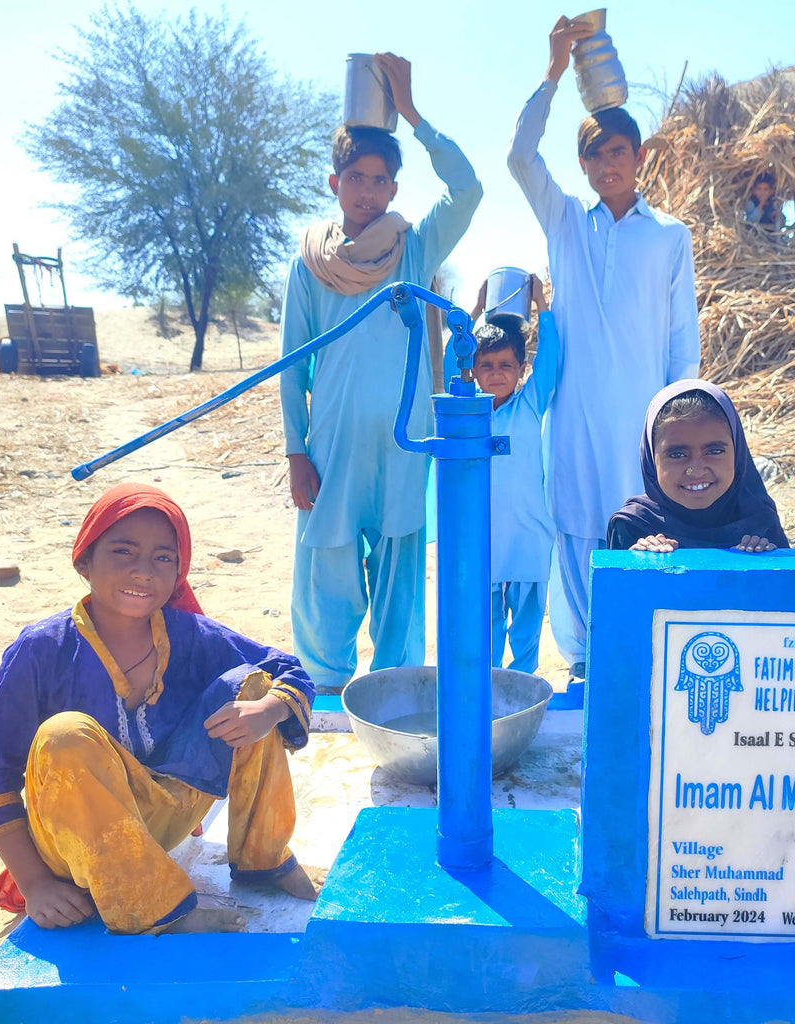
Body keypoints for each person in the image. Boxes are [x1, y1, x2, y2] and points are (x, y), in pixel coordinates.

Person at [0, 483, 318, 935]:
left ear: (179, 572)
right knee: (65, 735)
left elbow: (286, 669)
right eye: (123, 552)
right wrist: (35, 883)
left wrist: (271, 709)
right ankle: (155, 907)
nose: (144, 572)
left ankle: (263, 861)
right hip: (80, 842)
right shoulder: (41, 651)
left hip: (165, 824)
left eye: (163, 558)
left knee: (255, 687)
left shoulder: (191, 636)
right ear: (84, 561)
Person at [279, 53, 482, 692]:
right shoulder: (310, 262)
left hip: (403, 440)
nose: (367, 192)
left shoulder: (413, 249)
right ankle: (324, 693)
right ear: (334, 182)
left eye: (379, 180)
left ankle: (393, 694)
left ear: (395, 187)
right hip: (332, 444)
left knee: (399, 569)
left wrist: (413, 113)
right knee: (327, 569)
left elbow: (468, 189)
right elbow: (291, 366)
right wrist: (294, 451)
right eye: (355, 177)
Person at [507, 17, 701, 681]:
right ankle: (586, 662)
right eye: (595, 155)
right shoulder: (565, 224)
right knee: (579, 531)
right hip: (576, 418)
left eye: (620, 151)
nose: (607, 164)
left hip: (646, 420)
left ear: (638, 158)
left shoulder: (669, 236)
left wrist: (679, 419)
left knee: (647, 534)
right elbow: (518, 158)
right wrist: (553, 71)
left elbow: (682, 336)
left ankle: (638, 658)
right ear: (583, 165)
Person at [469, 274, 561, 674]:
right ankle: (486, 700)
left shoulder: (530, 404)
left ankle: (522, 692)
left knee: (525, 631)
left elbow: (552, 359)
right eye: (486, 365)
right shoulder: (465, 413)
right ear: (472, 370)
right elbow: (446, 360)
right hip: (484, 542)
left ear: (522, 368)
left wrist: (542, 306)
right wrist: (472, 314)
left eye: (506, 365)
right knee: (484, 630)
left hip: (528, 536)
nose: (496, 373)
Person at [607, 380, 790, 553]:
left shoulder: (759, 521)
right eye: (677, 455)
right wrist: (640, 563)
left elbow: (791, 584)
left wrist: (763, 562)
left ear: (738, 454)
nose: (695, 470)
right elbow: (618, 585)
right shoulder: (634, 525)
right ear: (650, 460)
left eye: (714, 451)